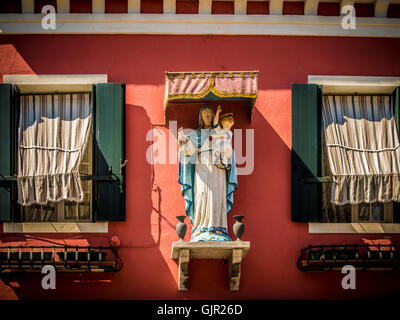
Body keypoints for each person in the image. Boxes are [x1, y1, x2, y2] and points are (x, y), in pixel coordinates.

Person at [178, 105, 238, 242]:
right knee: (201, 194)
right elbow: (188, 151)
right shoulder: (195, 134)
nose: (208, 116)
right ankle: (200, 228)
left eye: (210, 114)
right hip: (201, 167)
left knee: (217, 195)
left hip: (218, 169)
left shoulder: (219, 131)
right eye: (205, 114)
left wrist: (225, 158)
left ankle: (218, 228)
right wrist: (183, 141)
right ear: (200, 117)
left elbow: (228, 150)